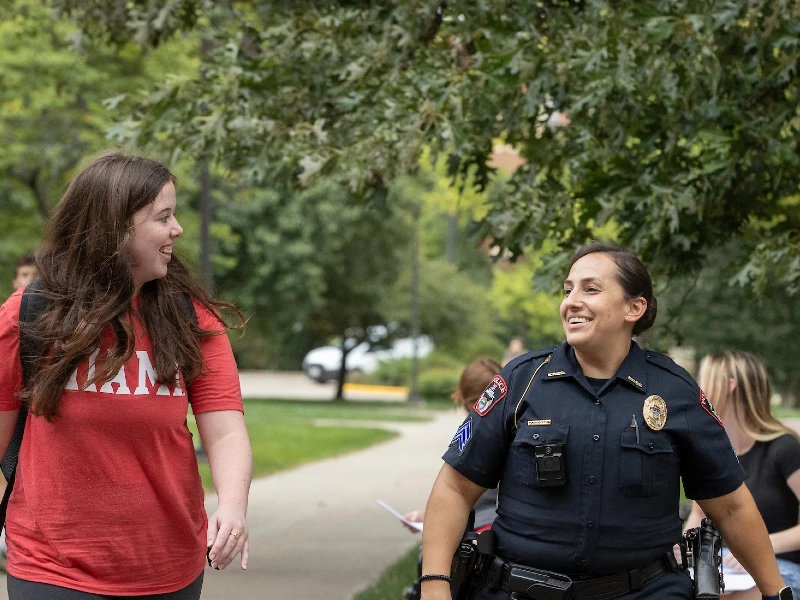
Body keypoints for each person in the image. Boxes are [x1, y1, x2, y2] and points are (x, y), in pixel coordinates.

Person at [420, 240, 790, 600]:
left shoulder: (676, 391)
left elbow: (730, 506)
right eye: (567, 291)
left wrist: (776, 592)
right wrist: (435, 584)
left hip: (646, 590)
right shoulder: (519, 381)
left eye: (590, 289)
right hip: (519, 589)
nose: (571, 302)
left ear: (634, 308)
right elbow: (454, 487)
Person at [0, 152, 253, 599]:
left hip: (169, 568)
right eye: (163, 217)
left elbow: (227, 432)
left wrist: (232, 508)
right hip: (51, 567)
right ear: (114, 227)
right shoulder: (29, 315)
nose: (177, 230)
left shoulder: (190, 319)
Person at [684, 351, 800, 599]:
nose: (698, 392)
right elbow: (698, 513)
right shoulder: (714, 452)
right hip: (727, 569)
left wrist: (756, 547)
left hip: (780, 570)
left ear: (729, 388)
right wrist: (683, 549)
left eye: (705, 382)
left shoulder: (784, 449)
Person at [404, 357, 503, 533]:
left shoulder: (472, 433)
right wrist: (427, 516)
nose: (482, 410)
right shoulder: (468, 431)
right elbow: (453, 493)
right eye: (476, 403)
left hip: (485, 530)